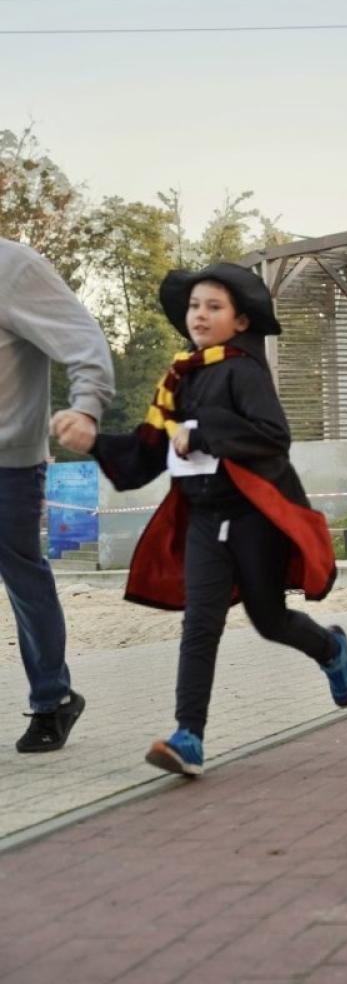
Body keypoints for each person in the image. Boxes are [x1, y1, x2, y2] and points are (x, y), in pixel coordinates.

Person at [56, 262, 347, 778]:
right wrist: (94, 443)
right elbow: (147, 453)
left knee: (269, 620)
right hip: (202, 517)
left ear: (240, 321)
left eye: (213, 306)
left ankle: (330, 646)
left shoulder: (244, 370)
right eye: (195, 305)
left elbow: (271, 436)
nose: (200, 314)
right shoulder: (178, 377)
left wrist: (201, 434)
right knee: (201, 623)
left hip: (254, 518)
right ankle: (188, 737)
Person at [0, 236, 114, 753]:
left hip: (7, 465)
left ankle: (52, 700)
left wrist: (86, 407)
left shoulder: (14, 267)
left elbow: (84, 341)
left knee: (24, 579)